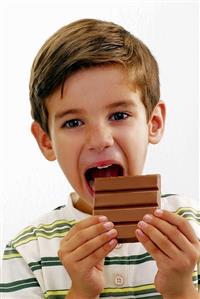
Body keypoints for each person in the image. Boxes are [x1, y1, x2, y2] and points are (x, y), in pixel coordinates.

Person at [1, 18, 199, 299]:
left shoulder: (194, 229)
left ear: (153, 123)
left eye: (119, 116)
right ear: (46, 141)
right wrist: (81, 291)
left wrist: (181, 289)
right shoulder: (27, 252)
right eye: (73, 123)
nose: (99, 139)